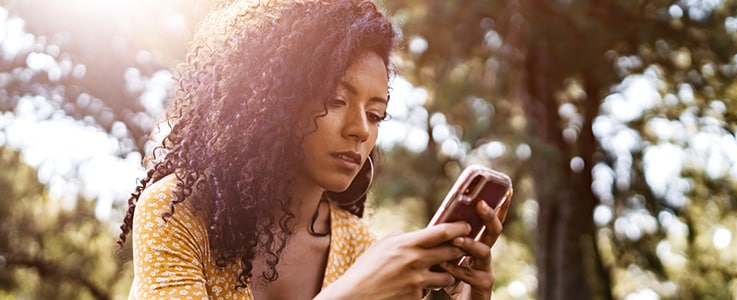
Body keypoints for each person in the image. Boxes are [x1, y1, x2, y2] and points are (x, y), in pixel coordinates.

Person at [117, 0, 507, 299]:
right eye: (336, 101)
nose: (359, 130)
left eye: (376, 114)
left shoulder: (361, 248)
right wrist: (353, 293)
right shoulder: (179, 214)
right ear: (273, 102)